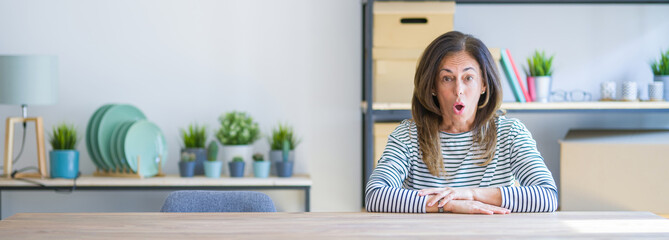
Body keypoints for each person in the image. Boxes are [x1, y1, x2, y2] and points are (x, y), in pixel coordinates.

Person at [365, 31, 557, 214]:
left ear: (483, 84)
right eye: (447, 78)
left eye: (468, 78)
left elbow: (547, 196)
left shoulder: (510, 132)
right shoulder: (407, 135)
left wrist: (471, 194)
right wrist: (448, 206)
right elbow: (375, 195)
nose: (458, 90)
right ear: (432, 86)